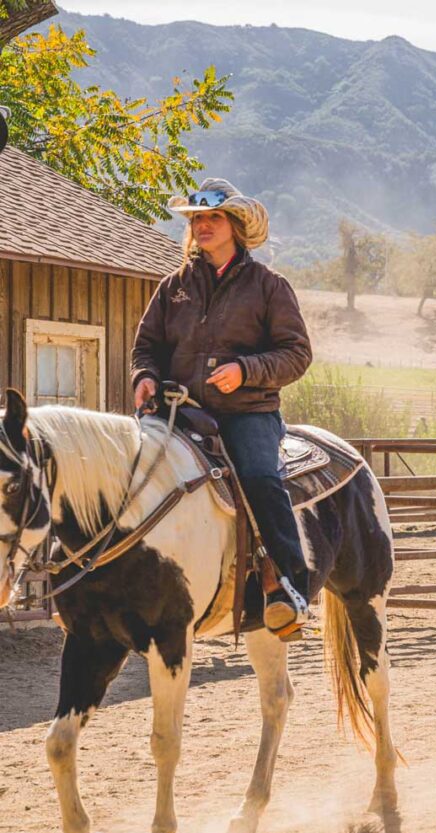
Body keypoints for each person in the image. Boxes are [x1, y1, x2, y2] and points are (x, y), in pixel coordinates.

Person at [130, 177, 314, 637]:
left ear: (234, 224)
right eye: (197, 219)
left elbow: (297, 354)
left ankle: (289, 588)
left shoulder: (269, 286)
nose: (203, 225)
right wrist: (144, 376)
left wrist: (245, 371)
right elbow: (145, 346)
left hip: (247, 412)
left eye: (213, 217)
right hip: (179, 411)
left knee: (258, 478)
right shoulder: (173, 286)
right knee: (129, 472)